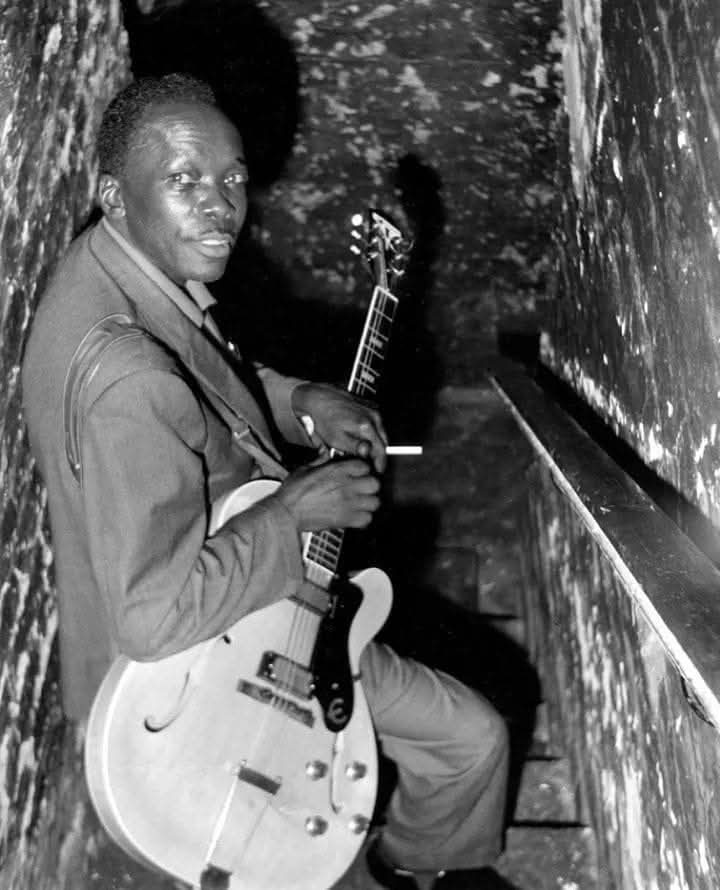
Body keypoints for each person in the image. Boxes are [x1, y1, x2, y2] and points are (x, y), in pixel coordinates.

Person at [22, 73, 511, 890]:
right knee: (476, 736)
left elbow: (209, 375)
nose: (221, 208)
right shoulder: (126, 381)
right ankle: (411, 859)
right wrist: (297, 508)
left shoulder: (113, 267)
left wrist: (300, 400)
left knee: (470, 739)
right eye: (183, 182)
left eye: (232, 178)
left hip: (228, 588)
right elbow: (151, 619)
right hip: (187, 667)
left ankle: (405, 863)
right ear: (114, 193)